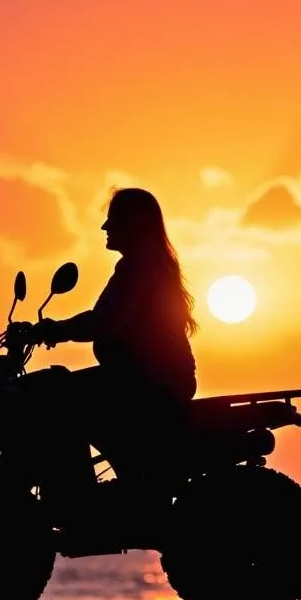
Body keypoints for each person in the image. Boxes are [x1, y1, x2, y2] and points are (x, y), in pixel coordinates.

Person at [32, 187, 198, 483]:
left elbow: (106, 321)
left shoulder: (140, 267)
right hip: (146, 379)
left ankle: (76, 497)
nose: (105, 227)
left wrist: (54, 329)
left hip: (149, 383)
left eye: (113, 219)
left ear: (134, 224)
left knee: (55, 395)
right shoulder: (146, 265)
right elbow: (105, 319)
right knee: (57, 389)